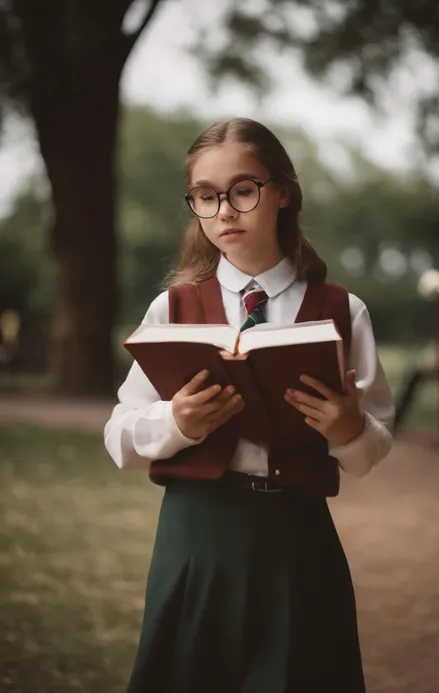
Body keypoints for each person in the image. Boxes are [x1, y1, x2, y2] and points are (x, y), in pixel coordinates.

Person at [104, 117, 395, 693]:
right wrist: (177, 423)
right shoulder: (174, 309)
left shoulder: (342, 310)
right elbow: (119, 437)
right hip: (196, 542)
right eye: (206, 197)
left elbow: (369, 452)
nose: (225, 211)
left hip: (297, 544)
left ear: (283, 192)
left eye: (242, 189)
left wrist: (348, 427)